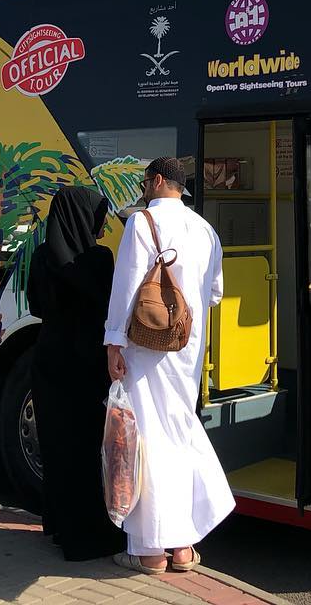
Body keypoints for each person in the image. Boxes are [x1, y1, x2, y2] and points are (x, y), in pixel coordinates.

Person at [103, 157, 235, 575]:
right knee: (179, 429)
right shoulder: (206, 229)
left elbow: (125, 288)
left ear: (157, 181)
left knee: (146, 437)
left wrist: (113, 342)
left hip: (146, 343)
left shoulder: (141, 223)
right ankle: (183, 545)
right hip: (188, 345)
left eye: (145, 181)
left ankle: (149, 550)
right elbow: (215, 292)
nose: (143, 187)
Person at [27, 186, 125, 561]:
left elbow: (36, 305)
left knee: (56, 448)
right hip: (85, 364)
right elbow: (110, 310)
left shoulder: (41, 257)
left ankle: (58, 526)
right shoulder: (99, 260)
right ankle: (86, 537)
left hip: (48, 360)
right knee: (86, 450)